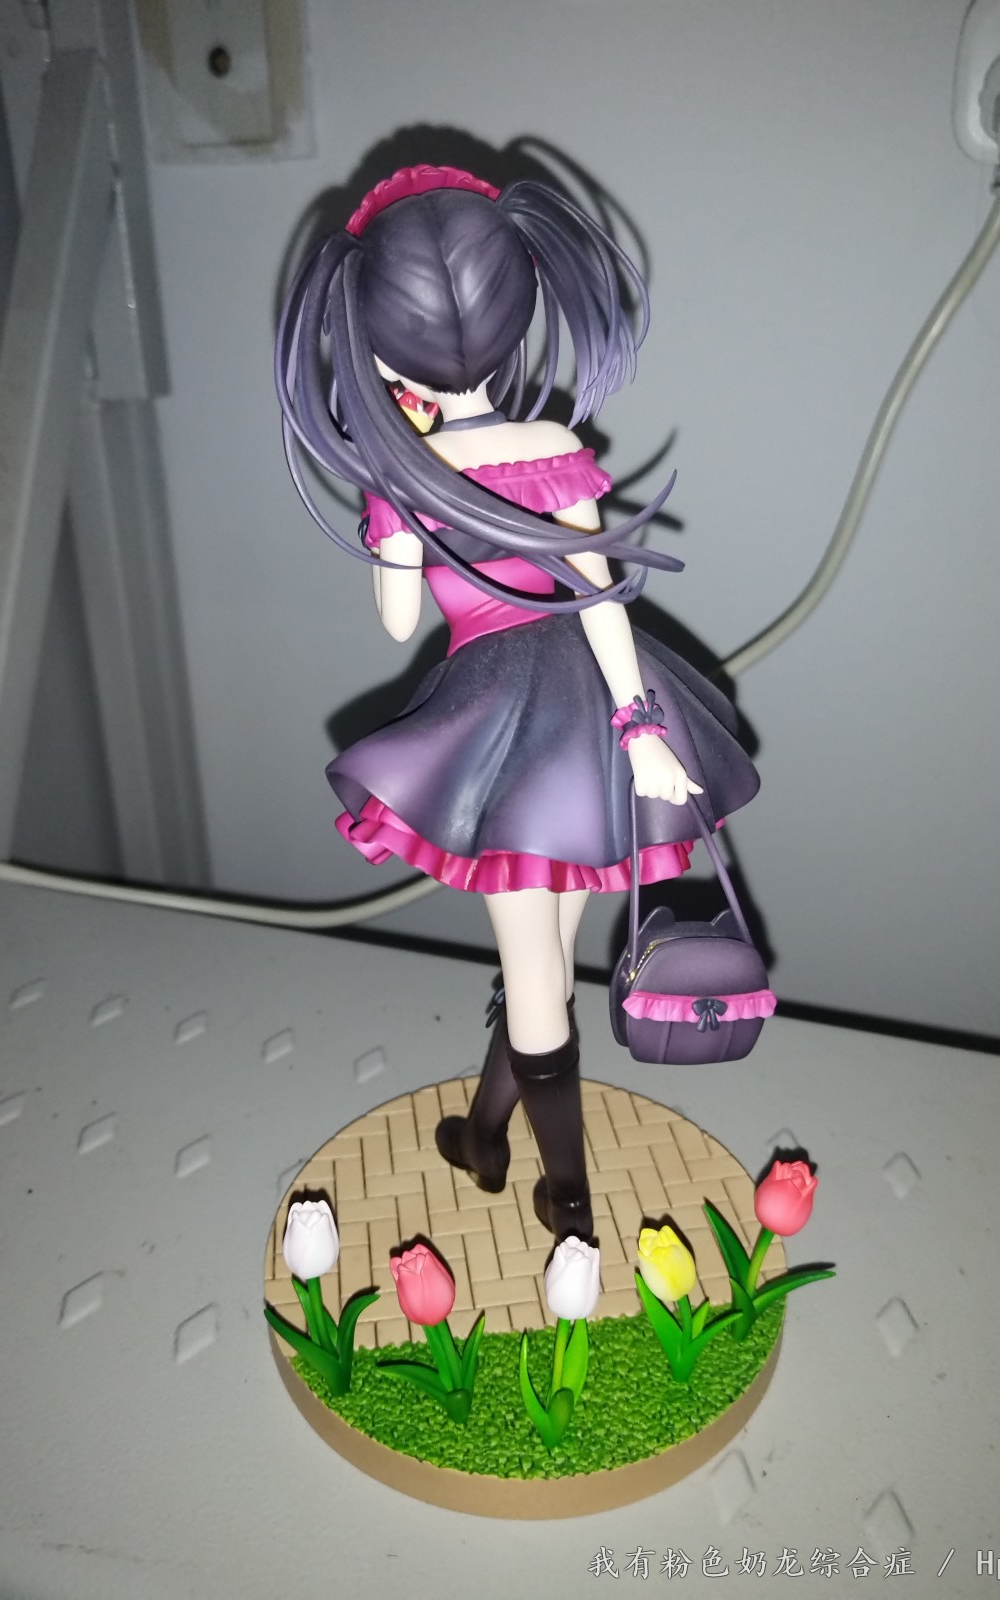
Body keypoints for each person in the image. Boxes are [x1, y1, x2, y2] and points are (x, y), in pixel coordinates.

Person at [277, 164, 759, 1242]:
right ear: (520, 311)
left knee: (533, 970)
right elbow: (602, 599)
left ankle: (569, 1198)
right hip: (589, 726)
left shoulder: (404, 478)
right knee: (539, 964)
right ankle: (486, 1137)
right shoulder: (553, 450)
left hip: (502, 737)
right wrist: (641, 729)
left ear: (381, 345)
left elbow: (400, 624)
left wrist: (390, 514)